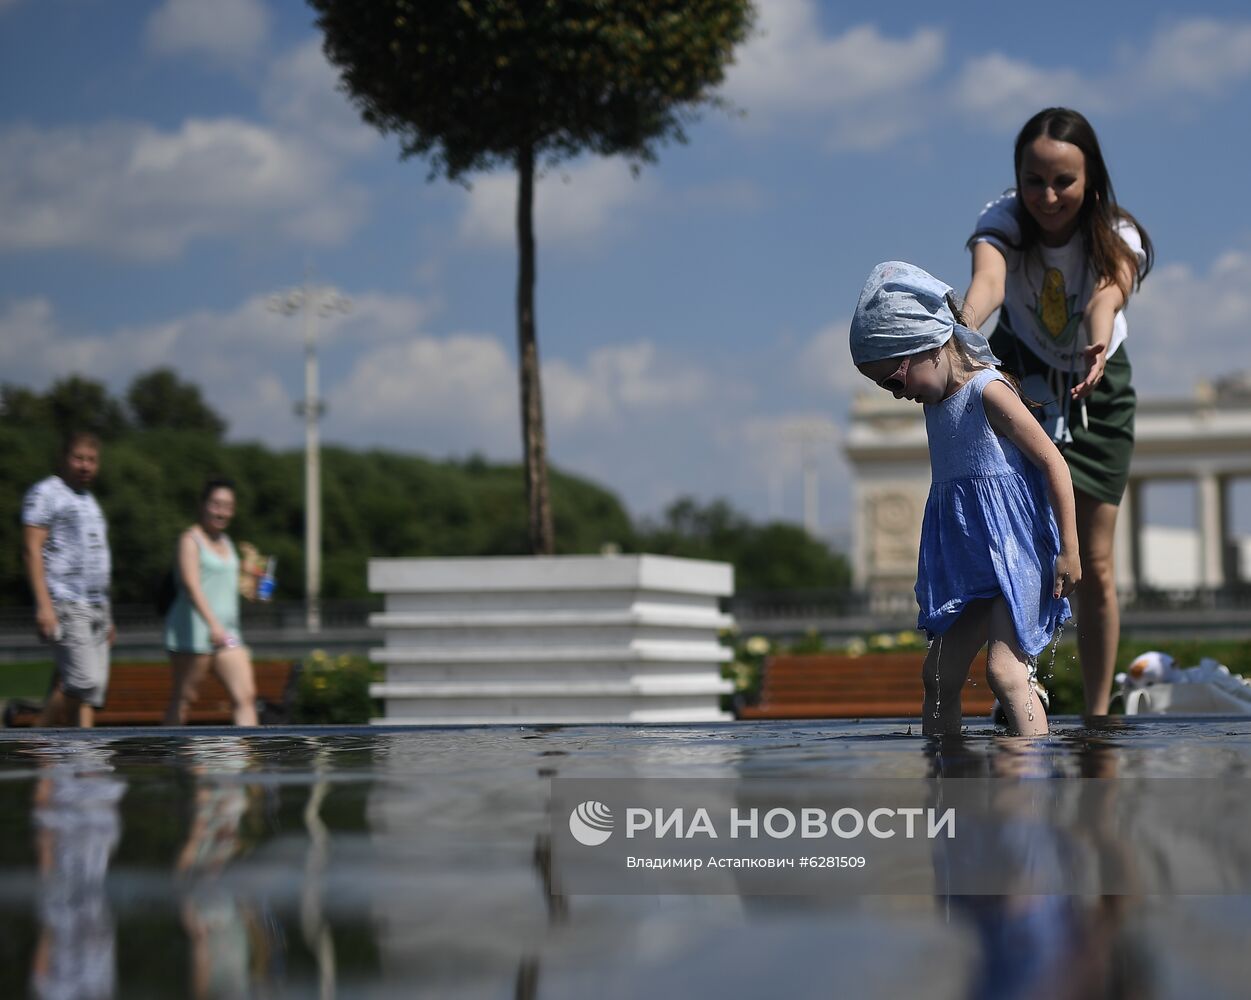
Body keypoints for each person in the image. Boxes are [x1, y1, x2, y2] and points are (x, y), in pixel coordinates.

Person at [960, 107, 1153, 715]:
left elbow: (1108, 292)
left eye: (1063, 182)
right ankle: (1022, 686)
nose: (1047, 196)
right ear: (1017, 178)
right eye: (1033, 180)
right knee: (1026, 543)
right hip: (1027, 376)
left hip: (1097, 389)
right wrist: (961, 326)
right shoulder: (1002, 221)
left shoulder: (1119, 233)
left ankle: (1097, 713)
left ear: (1090, 179)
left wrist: (1097, 336)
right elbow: (990, 281)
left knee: (1092, 560)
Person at [850, 260, 1080, 736]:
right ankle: (947, 780)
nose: (896, 395)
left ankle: (1031, 787)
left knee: (1005, 673)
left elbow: (1053, 463)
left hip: (1017, 556)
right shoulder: (935, 405)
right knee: (937, 676)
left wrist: (1069, 550)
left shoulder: (987, 392)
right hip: (969, 563)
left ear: (929, 348)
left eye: (894, 380)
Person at [22, 431, 115, 727]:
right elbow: (31, 549)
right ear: (63, 459)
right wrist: (43, 605)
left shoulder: (89, 499)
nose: (86, 466)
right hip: (66, 600)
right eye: (79, 458)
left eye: (92, 460)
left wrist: (107, 614)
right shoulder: (47, 493)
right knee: (83, 681)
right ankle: (37, 739)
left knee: (88, 692)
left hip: (97, 605)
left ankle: (80, 762)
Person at [163, 478, 257, 726]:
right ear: (203, 505)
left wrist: (253, 590)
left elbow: (229, 586)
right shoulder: (190, 540)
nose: (221, 511)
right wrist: (213, 624)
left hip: (228, 635)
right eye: (216, 504)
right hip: (192, 632)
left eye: (227, 506)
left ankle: (245, 760)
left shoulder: (228, 544)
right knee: (185, 699)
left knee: (245, 696)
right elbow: (191, 585)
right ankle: (175, 757)